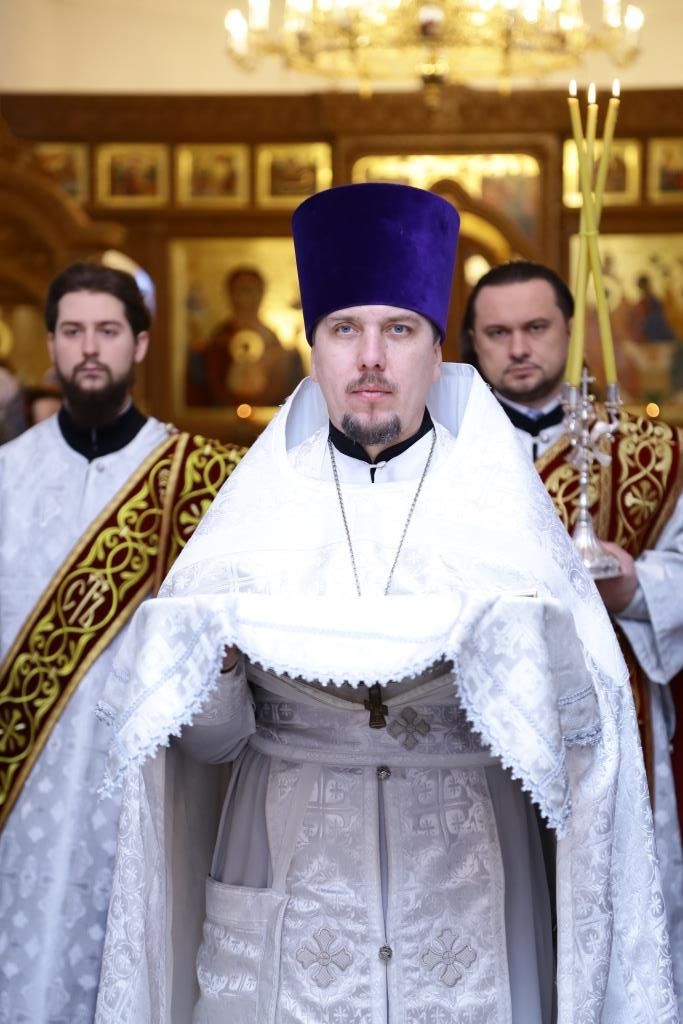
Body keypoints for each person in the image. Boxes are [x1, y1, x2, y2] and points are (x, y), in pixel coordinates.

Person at [96, 186, 676, 1024]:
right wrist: (216, 672)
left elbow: (585, 736)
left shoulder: (500, 514)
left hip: (466, 877)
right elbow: (204, 750)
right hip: (290, 875)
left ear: (437, 355)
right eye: (344, 330)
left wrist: (519, 669)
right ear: (313, 353)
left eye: (398, 331)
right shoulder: (250, 517)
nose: (370, 357)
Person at [0, 262, 245, 1023]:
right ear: (50, 344)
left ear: (139, 344)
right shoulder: (7, 475)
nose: (89, 348)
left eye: (107, 331)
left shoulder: (196, 481)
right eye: (73, 332)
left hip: (135, 779)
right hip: (20, 786)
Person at [461, 258, 683, 1012]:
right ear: (471, 342)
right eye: (497, 333)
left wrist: (637, 586)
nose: (519, 348)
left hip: (609, 713)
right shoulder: (439, 453)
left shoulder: (649, 456)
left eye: (535, 328)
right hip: (473, 724)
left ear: (571, 331)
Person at [196, 265, 304, 408]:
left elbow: (284, 389)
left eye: (251, 290)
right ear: (230, 294)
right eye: (241, 290)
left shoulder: (273, 340)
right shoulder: (219, 339)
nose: (246, 297)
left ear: (261, 293)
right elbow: (211, 386)